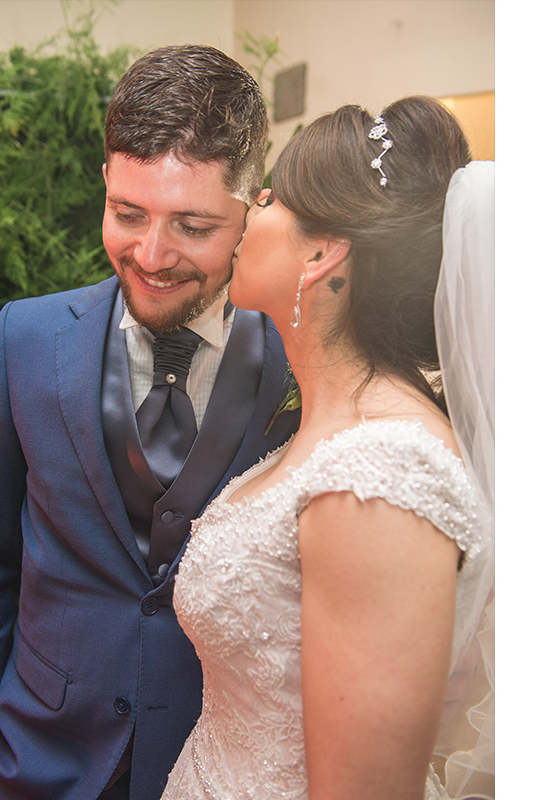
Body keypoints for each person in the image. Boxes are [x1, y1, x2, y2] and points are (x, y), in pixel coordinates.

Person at [0, 45, 302, 799]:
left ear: (253, 209)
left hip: (214, 760)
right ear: (107, 183)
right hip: (34, 756)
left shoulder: (296, 364)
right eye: (129, 214)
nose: (151, 255)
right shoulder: (27, 337)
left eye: (193, 225)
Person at [159, 97, 494, 799]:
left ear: (322, 252)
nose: (255, 206)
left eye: (275, 194)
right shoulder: (325, 427)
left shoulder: (381, 475)